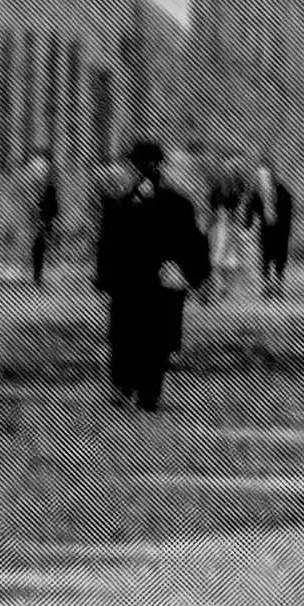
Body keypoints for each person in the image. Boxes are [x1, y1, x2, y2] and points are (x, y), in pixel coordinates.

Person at [94, 138, 212, 411]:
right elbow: (193, 242)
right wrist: (199, 275)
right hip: (152, 284)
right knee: (147, 339)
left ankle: (130, 386)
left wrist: (105, 277)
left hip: (138, 283)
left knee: (135, 337)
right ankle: (141, 389)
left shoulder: (124, 204)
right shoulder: (174, 203)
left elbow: (108, 244)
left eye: (134, 165)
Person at [198, 146, 247, 303]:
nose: (228, 172)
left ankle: (222, 287)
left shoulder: (237, 188)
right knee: (217, 259)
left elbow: (239, 206)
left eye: (232, 169)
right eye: (227, 168)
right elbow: (209, 206)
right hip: (219, 225)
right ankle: (219, 287)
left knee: (227, 259)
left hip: (230, 225)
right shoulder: (217, 188)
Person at [246, 156, 298, 299]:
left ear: (272, 174)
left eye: (266, 174)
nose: (264, 177)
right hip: (265, 228)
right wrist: (248, 222)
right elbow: (250, 207)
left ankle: (279, 284)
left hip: (280, 228)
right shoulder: (257, 191)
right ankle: (267, 284)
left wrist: (285, 223)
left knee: (280, 256)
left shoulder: (281, 189)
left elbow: (288, 207)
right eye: (261, 174)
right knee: (265, 256)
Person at [22, 147, 64, 290]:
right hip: (44, 210)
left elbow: (28, 191)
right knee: (41, 241)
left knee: (37, 240)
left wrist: (31, 208)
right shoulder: (48, 168)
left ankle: (37, 272)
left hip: (37, 209)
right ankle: (38, 272)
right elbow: (53, 190)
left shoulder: (31, 168)